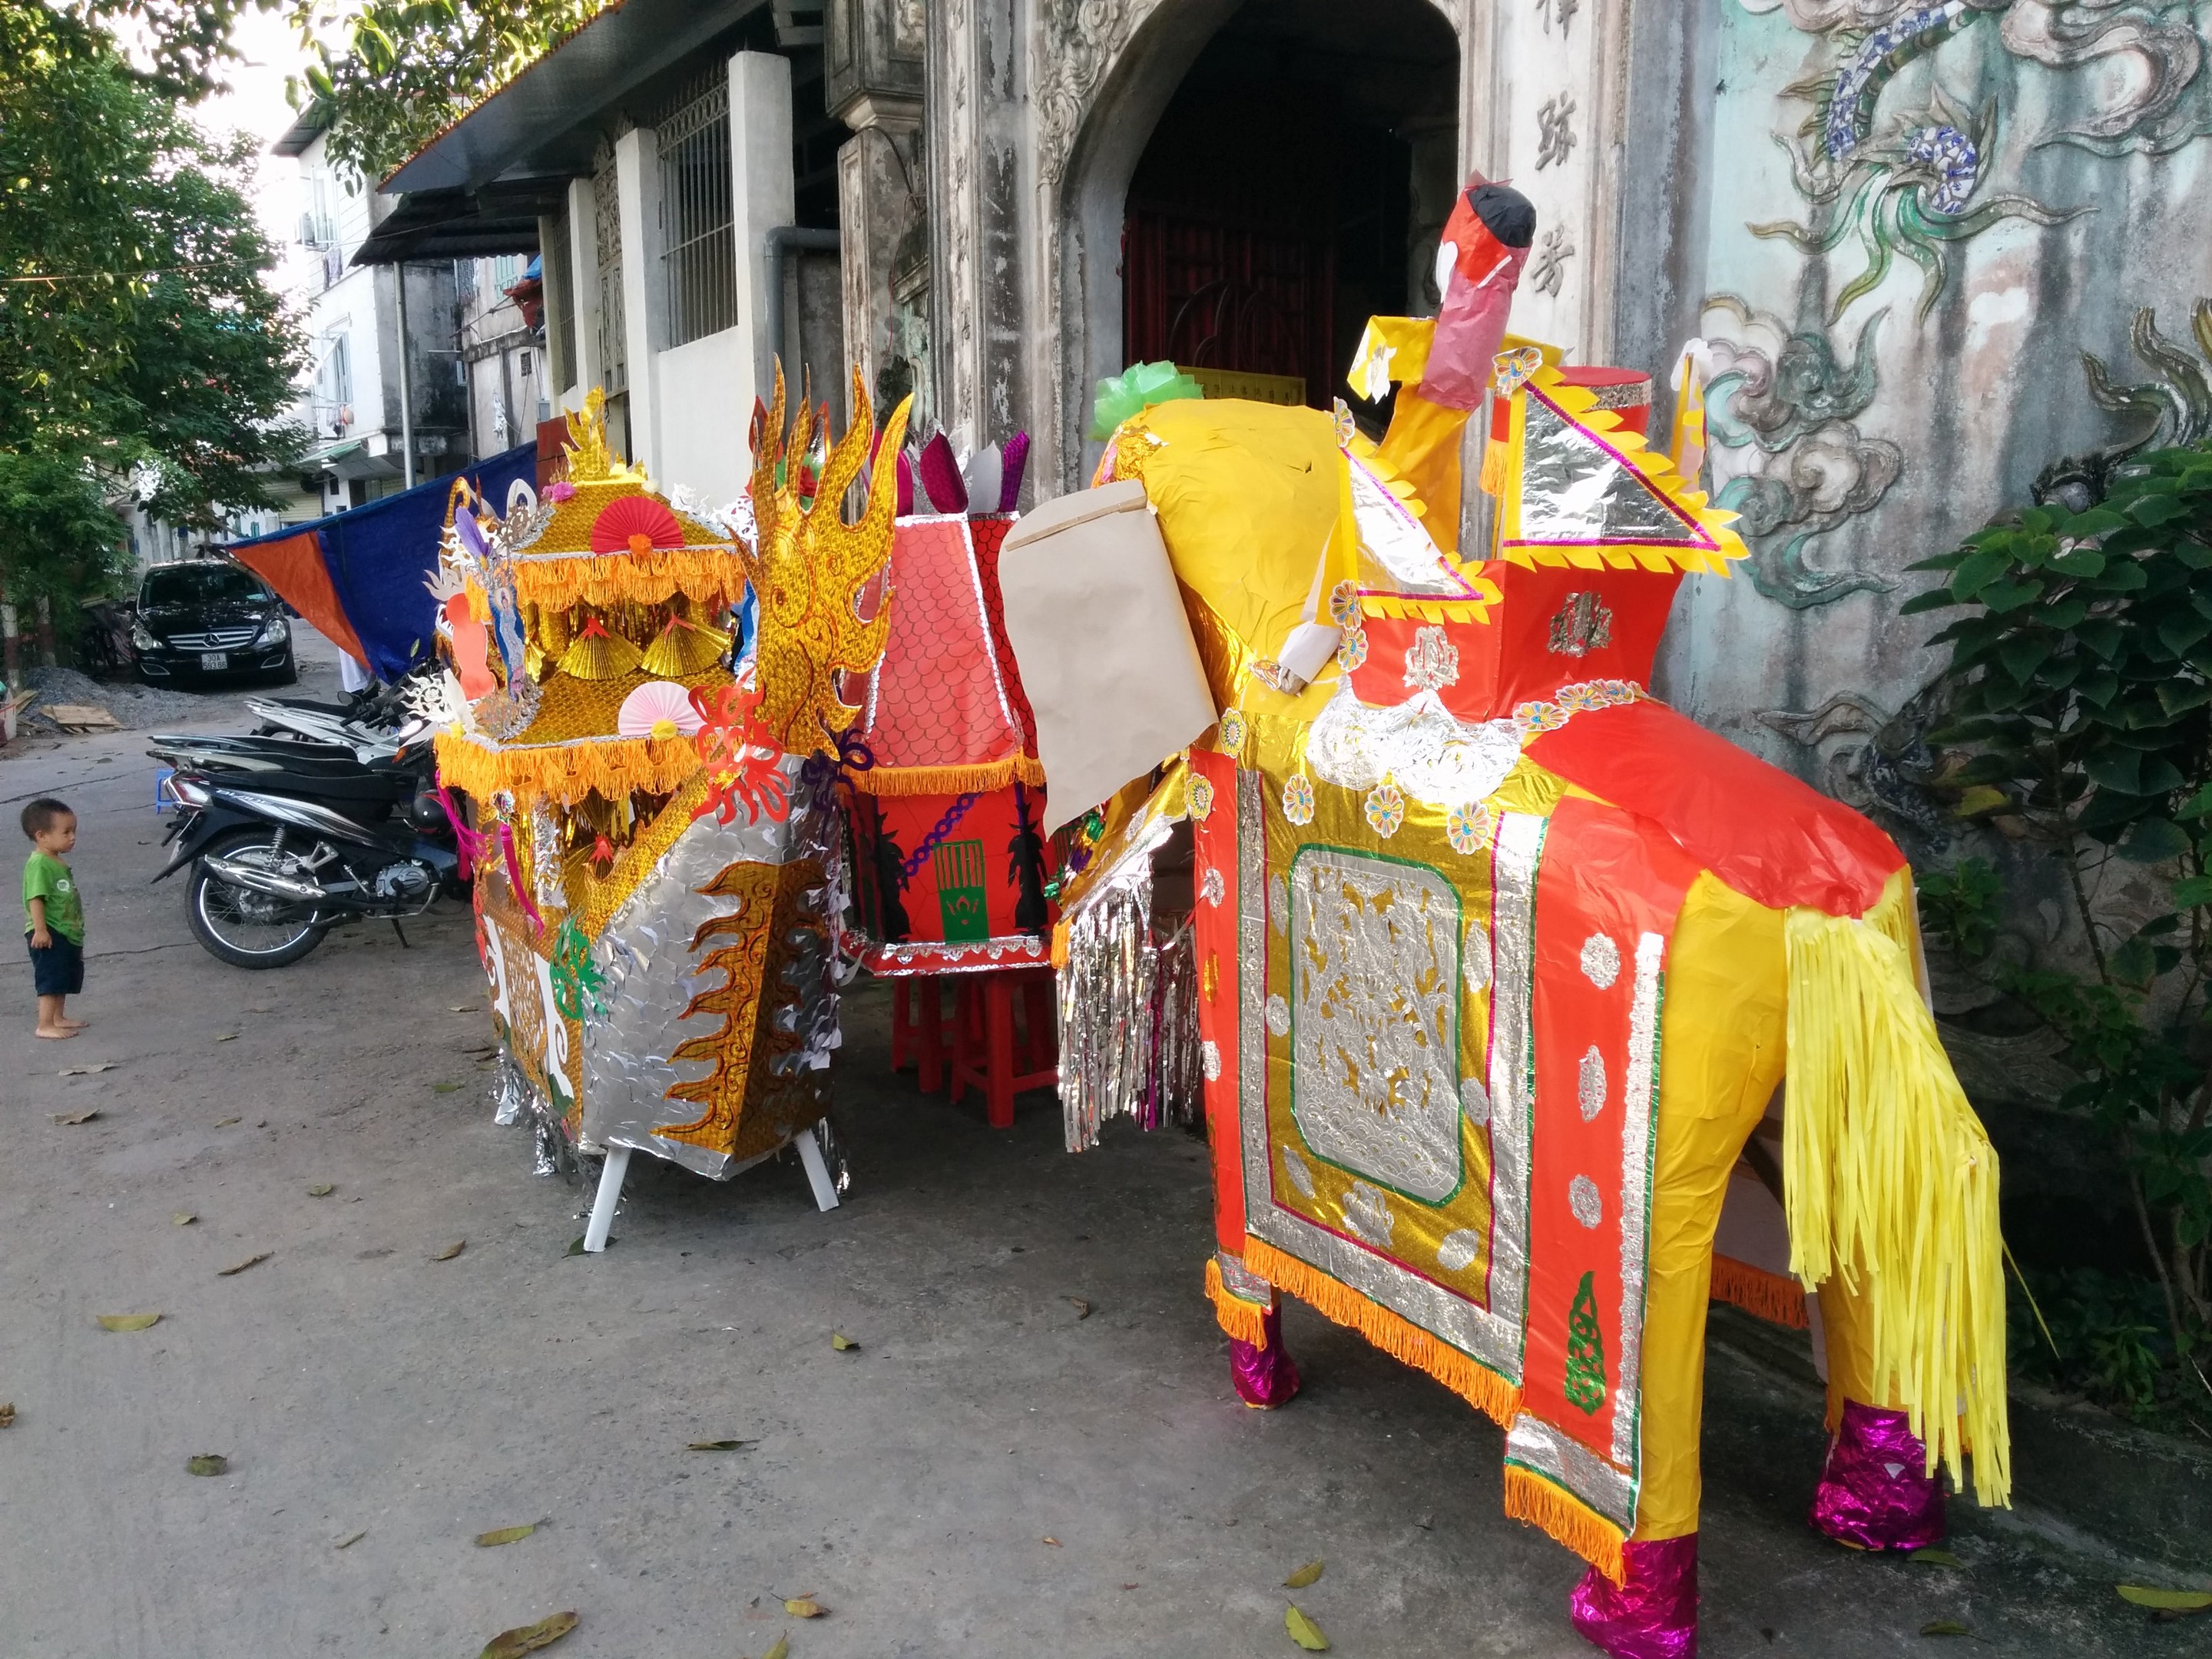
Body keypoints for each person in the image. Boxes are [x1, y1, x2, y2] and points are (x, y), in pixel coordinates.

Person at [22, 797, 84, 1039]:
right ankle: (45, 1024)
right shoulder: (39, 864)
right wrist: (40, 930)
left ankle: (58, 1017)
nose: (72, 837)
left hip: (65, 930)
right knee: (50, 977)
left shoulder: (54, 860)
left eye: (74, 831)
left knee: (63, 975)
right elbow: (35, 899)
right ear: (41, 835)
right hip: (49, 931)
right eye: (66, 832)